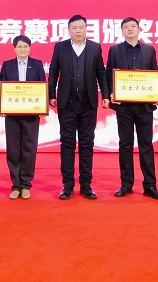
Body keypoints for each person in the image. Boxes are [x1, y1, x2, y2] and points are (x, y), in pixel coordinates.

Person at [48, 14, 109, 200]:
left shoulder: (95, 47)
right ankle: (67, 185)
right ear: (69, 30)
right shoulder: (60, 47)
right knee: (67, 143)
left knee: (86, 143)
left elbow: (101, 72)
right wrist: (51, 95)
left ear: (86, 29)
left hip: (88, 103)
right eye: (74, 28)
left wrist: (106, 95)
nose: (78, 31)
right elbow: (53, 71)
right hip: (66, 103)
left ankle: (86, 185)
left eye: (81, 27)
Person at [106, 17, 158, 200]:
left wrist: (157, 94)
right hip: (123, 106)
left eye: (133, 26)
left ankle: (150, 185)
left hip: (144, 106)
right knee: (125, 144)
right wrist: (110, 93)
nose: (130, 29)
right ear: (122, 31)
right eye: (126, 27)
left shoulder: (149, 50)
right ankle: (126, 184)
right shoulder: (115, 50)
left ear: (139, 30)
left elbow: (154, 74)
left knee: (146, 144)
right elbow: (109, 74)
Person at [0, 35, 46, 200]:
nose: (23, 49)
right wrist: (2, 106)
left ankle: (26, 185)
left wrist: (42, 106)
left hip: (31, 114)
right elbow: (2, 87)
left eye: (25, 46)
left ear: (30, 48)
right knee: (13, 150)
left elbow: (42, 87)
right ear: (14, 48)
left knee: (29, 149)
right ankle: (16, 186)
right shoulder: (7, 65)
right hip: (12, 114)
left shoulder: (37, 64)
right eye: (19, 46)